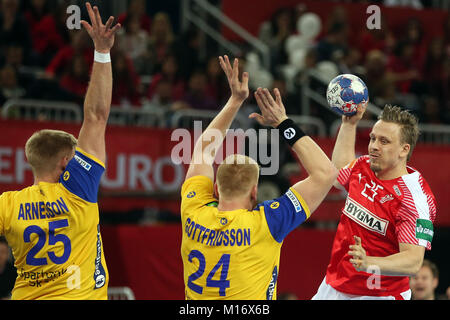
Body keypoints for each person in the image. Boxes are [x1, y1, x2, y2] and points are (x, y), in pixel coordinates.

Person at [180, 55, 338, 299]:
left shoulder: (193, 208)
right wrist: (283, 123)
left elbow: (202, 151)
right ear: (255, 192)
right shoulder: (267, 222)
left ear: (215, 188)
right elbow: (325, 173)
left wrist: (234, 101)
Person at [0, 3, 121, 300]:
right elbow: (95, 116)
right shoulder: (77, 188)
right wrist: (102, 51)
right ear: (67, 163)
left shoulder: (8, 205)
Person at [312, 104, 437, 300]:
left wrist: (368, 262)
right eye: (373, 138)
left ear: (404, 149)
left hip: (380, 293)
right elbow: (338, 175)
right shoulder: (364, 165)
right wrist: (348, 125)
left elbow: (413, 262)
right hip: (335, 283)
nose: (374, 146)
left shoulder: (414, 199)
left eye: (384, 141)